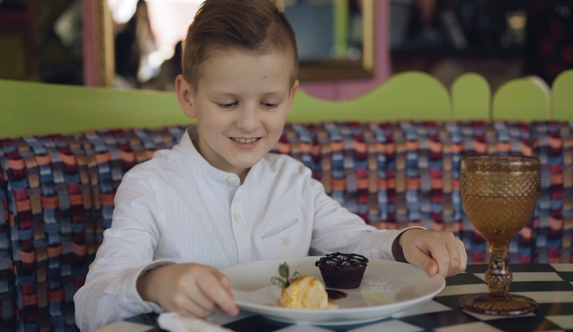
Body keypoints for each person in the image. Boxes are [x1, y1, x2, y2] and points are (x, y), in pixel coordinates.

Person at [73, 0, 467, 331]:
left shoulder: (294, 182)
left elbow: (356, 243)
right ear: (187, 96)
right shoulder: (150, 188)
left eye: (269, 104)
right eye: (227, 103)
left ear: (290, 98)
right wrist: (154, 283)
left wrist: (406, 242)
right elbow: (90, 306)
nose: (248, 123)